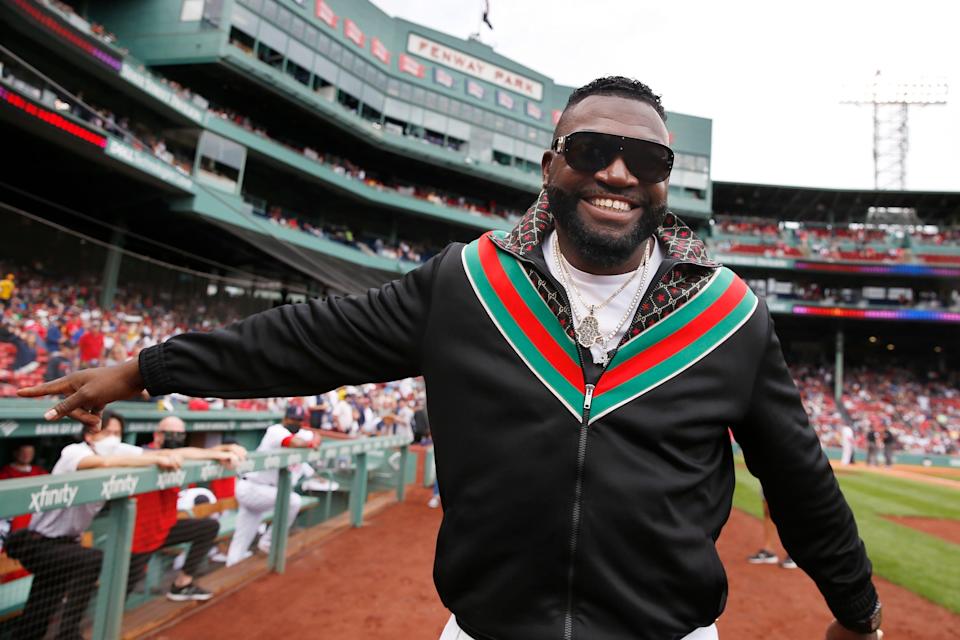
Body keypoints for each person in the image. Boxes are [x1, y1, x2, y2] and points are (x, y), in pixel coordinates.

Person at [20, 77, 882, 639]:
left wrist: (859, 614)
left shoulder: (729, 315)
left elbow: (798, 475)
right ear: (551, 166)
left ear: (666, 183)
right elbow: (308, 341)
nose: (616, 171)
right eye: (590, 151)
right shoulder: (468, 284)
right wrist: (144, 369)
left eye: (645, 158)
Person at [3, 412, 182, 640]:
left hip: (66, 546)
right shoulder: (75, 451)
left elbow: (170, 453)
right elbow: (103, 462)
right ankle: (68, 634)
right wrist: (153, 458)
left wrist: (218, 451)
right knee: (92, 560)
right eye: (107, 432)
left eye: (117, 433)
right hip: (38, 543)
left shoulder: (118, 451)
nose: (113, 438)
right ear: (89, 435)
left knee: (40, 611)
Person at [125, 415, 246, 601]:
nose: (176, 438)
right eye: (172, 434)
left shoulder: (181, 455)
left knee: (208, 527)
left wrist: (225, 448)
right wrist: (221, 451)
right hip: (139, 536)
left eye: (181, 435)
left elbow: (192, 453)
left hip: (165, 528)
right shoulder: (141, 453)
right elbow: (174, 454)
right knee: (121, 593)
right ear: (158, 435)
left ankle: (182, 585)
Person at [226, 405, 317, 566]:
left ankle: (232, 565)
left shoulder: (303, 433)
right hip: (252, 488)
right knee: (293, 501)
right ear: (285, 418)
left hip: (267, 491)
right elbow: (295, 442)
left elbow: (314, 437)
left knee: (242, 537)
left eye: (298, 420)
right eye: (292, 419)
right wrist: (312, 442)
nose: (295, 422)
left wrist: (314, 439)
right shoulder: (275, 431)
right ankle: (267, 542)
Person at [0, 443, 48, 534]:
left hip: (36, 511)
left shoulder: (38, 470)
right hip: (14, 513)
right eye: (24, 453)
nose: (27, 456)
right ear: (15, 453)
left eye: (30, 453)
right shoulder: (6, 472)